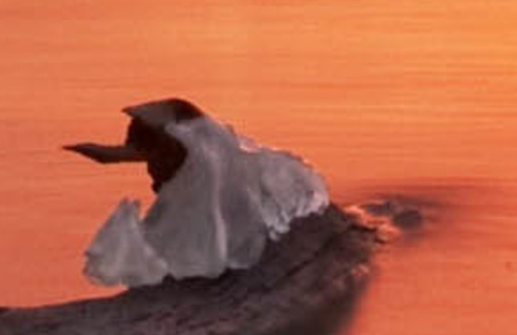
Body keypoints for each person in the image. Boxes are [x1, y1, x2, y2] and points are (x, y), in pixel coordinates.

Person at [58, 96, 326, 286]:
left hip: (186, 131)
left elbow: (115, 155)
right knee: (195, 205)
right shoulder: (179, 151)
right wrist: (83, 148)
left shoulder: (196, 158)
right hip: (179, 130)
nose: (153, 181)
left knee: (205, 205)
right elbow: (114, 155)